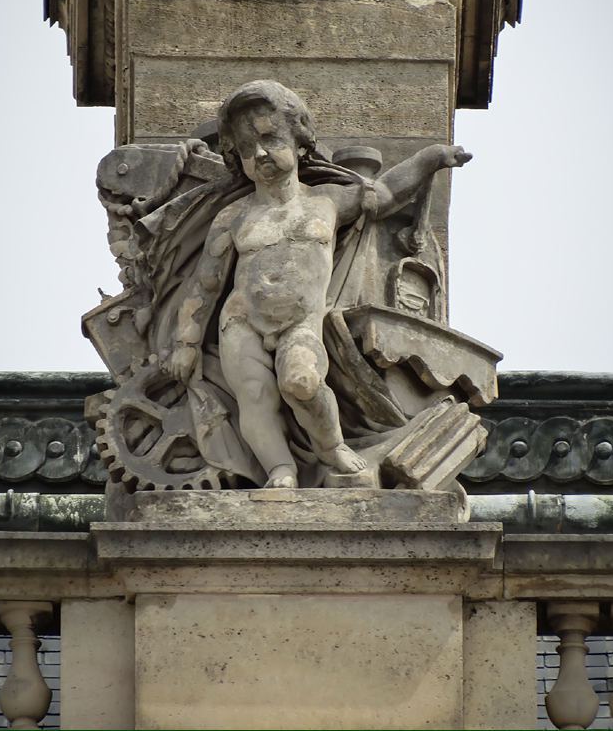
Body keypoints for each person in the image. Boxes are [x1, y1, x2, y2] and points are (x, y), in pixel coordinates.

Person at [165, 80, 471, 488]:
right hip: (241, 322)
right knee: (254, 397)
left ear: (298, 138)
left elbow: (386, 193)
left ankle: (330, 449)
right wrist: (186, 344)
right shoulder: (233, 217)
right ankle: (280, 469)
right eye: (245, 148)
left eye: (270, 138)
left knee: (302, 382)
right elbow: (204, 286)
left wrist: (431, 157)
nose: (259, 153)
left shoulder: (327, 200)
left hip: (301, 323)